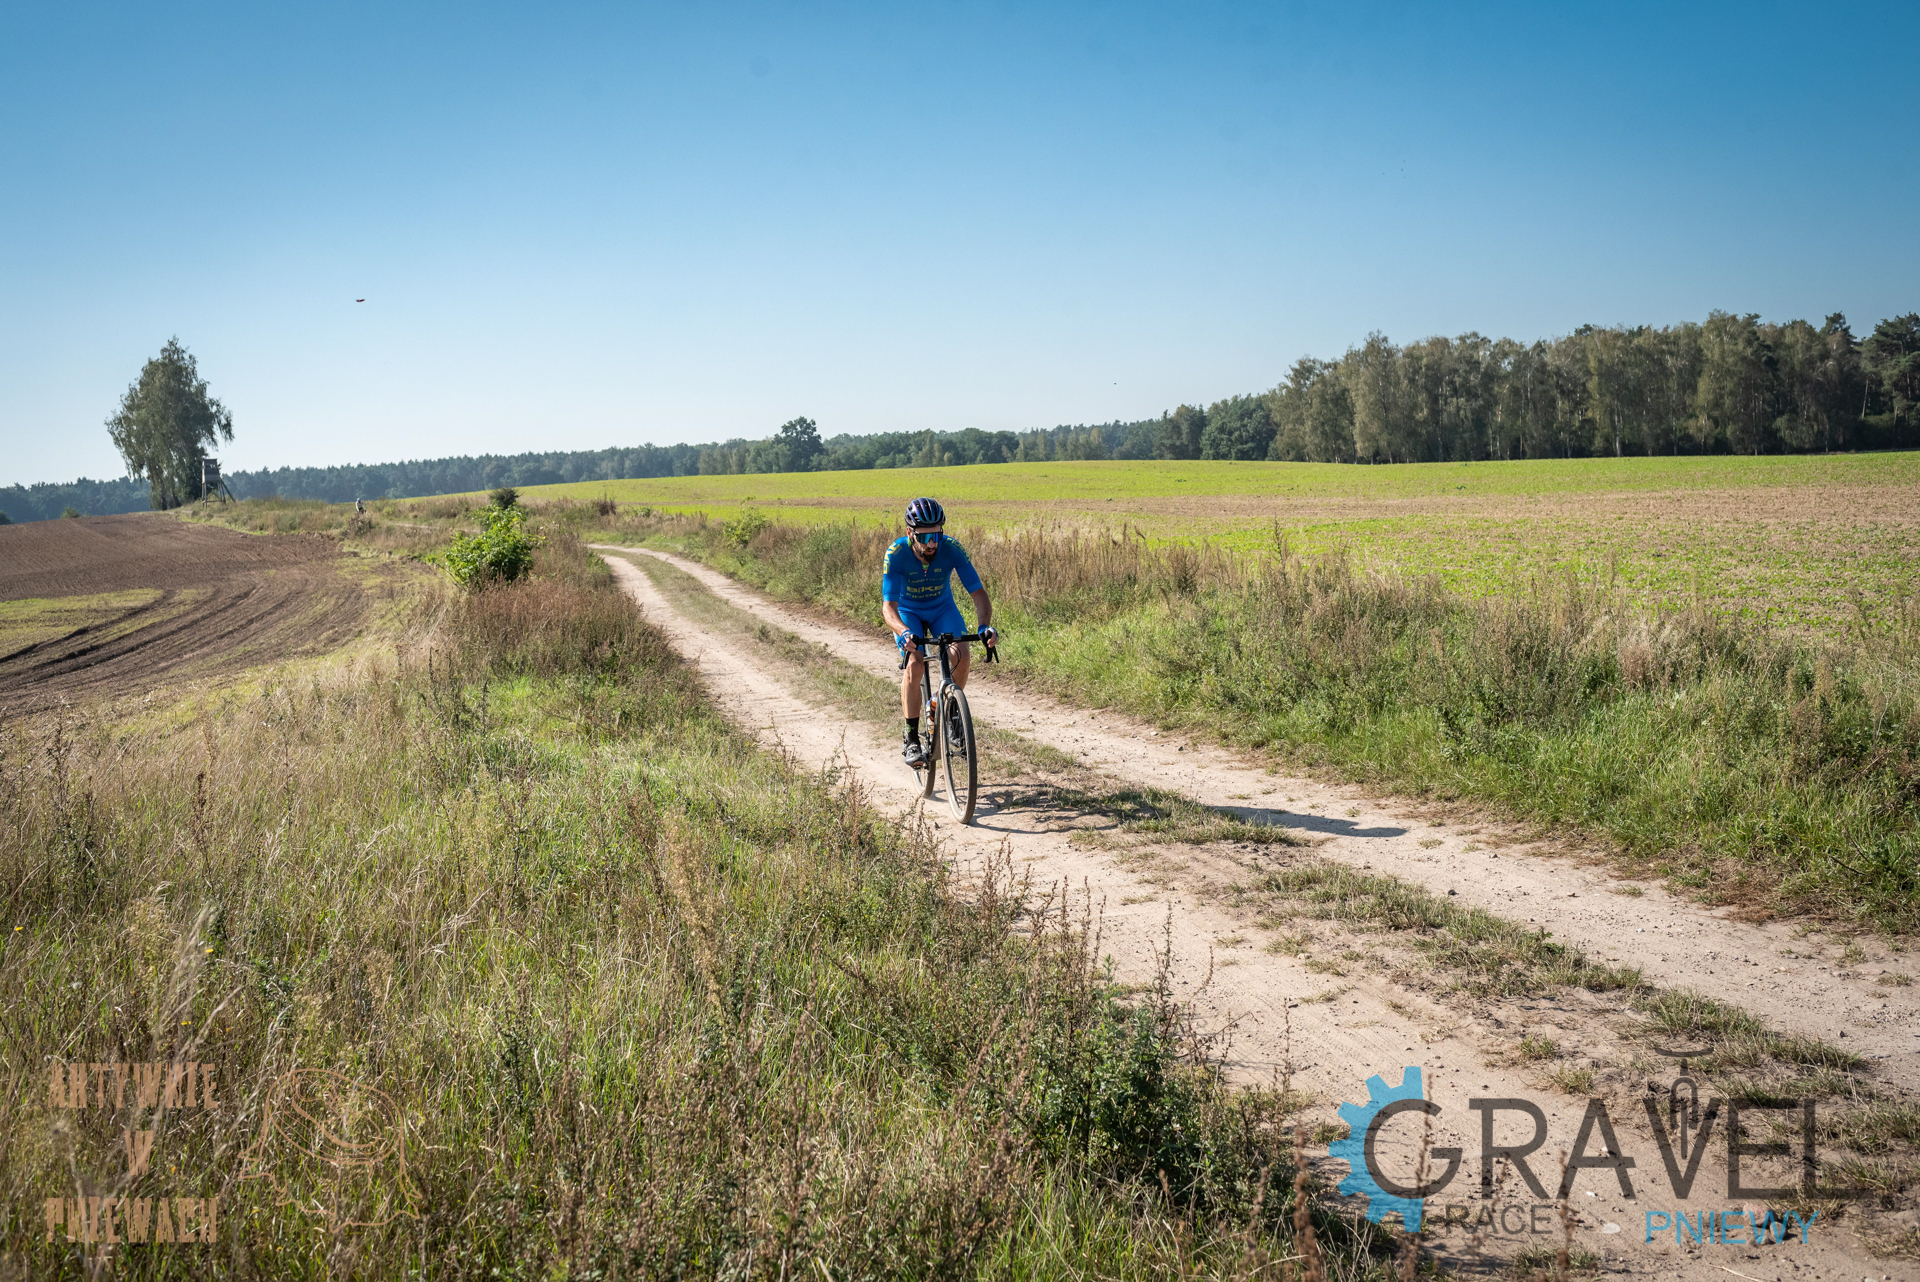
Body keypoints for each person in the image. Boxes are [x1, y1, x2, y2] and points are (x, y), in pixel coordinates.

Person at [882, 497, 997, 768]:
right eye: (925, 537)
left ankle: (946, 709)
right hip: (908, 612)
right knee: (915, 662)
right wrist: (903, 632)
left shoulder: (952, 548)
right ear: (910, 533)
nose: (932, 543)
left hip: (942, 608)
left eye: (937, 535)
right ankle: (911, 737)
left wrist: (984, 626)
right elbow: (888, 607)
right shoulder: (896, 553)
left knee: (962, 654)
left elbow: (979, 593)